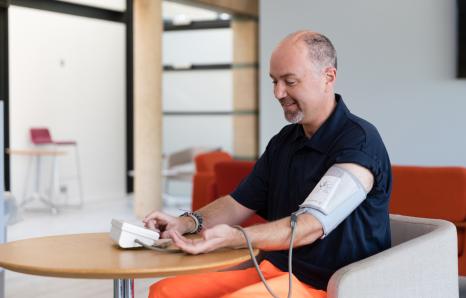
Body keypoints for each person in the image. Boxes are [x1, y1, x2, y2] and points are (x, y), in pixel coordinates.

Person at [144, 30, 392, 298]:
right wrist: (185, 223)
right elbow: (237, 203)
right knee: (165, 291)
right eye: (274, 81)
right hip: (276, 271)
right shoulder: (284, 142)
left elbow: (309, 226)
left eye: (290, 81)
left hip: (330, 287)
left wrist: (236, 237)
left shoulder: (360, 142)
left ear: (328, 77)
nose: (278, 92)